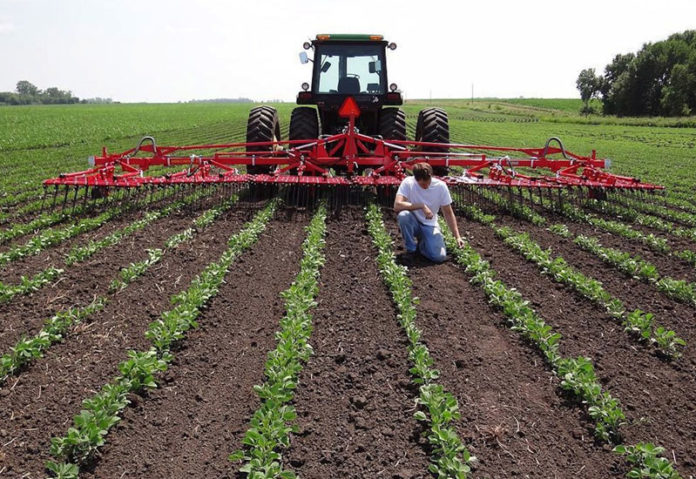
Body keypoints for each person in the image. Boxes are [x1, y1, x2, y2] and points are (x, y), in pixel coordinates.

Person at [393, 162, 464, 263]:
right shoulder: (408, 183)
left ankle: (422, 245)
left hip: (429, 224)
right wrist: (421, 206)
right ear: (415, 179)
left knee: (438, 257)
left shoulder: (440, 187)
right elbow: (397, 205)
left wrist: (457, 237)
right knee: (403, 215)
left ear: (431, 176)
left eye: (427, 182)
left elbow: (448, 213)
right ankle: (411, 250)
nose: (425, 186)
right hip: (413, 222)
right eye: (422, 184)